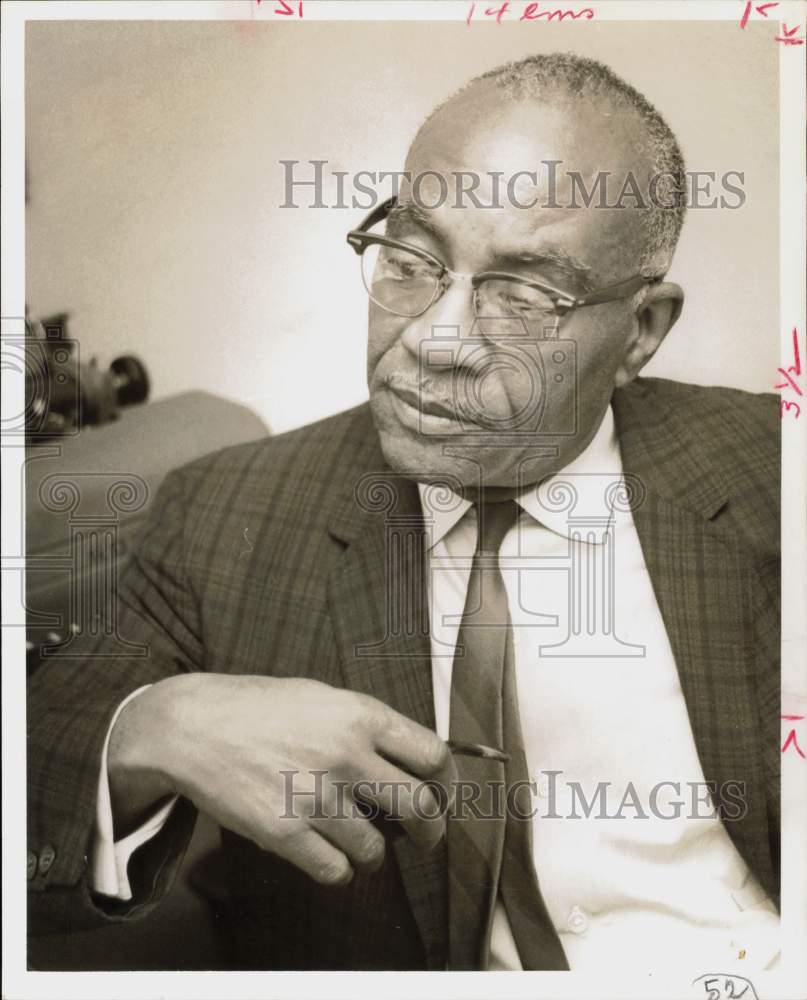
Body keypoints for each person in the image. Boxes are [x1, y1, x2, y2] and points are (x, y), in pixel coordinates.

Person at [27, 53, 780, 973]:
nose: (433, 338)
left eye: (523, 293)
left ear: (641, 331)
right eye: (411, 259)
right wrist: (149, 728)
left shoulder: (771, 467)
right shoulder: (222, 514)